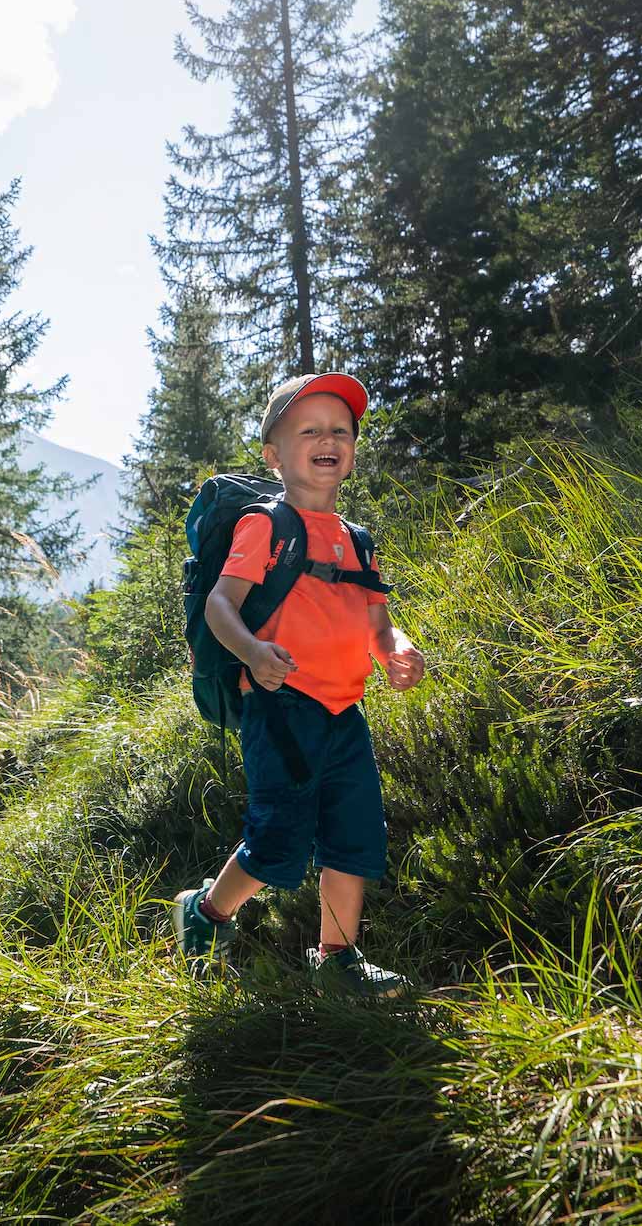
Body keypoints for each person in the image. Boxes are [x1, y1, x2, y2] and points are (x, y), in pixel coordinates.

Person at [172, 372, 428, 996]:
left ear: (352, 451)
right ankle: (205, 913)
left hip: (345, 712)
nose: (327, 439)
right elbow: (220, 606)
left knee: (355, 833)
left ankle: (336, 959)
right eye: (308, 429)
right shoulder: (266, 525)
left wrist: (397, 650)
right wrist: (254, 652)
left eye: (339, 430)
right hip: (282, 707)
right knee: (279, 841)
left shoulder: (355, 540)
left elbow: (377, 624)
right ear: (274, 455)